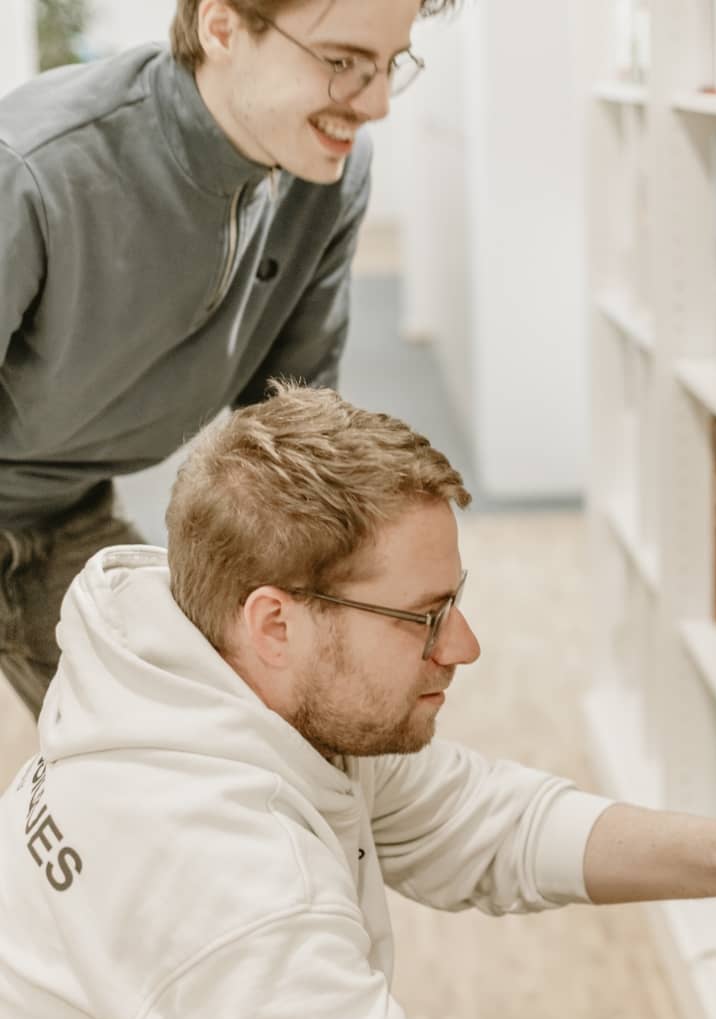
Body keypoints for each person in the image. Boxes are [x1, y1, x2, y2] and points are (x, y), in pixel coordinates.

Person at [0, 383, 716, 1019]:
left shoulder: (197, 669)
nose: (466, 646)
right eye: (424, 615)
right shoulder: (225, 881)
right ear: (276, 622)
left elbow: (483, 822)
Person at [0, 0, 447, 723]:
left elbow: (289, 427)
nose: (377, 104)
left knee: (208, 746)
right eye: (340, 62)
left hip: (66, 508)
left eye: (388, 65)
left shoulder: (327, 173)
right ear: (222, 27)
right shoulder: (33, 166)